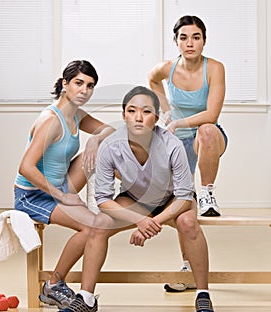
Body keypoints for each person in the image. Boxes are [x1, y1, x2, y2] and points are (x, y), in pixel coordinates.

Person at [59, 86, 214, 312]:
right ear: (124, 115)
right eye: (131, 111)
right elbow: (103, 199)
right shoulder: (111, 146)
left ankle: (203, 293)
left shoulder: (172, 144)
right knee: (98, 224)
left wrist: (152, 222)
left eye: (146, 112)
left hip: (172, 199)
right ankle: (86, 298)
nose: (138, 117)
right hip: (135, 199)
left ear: (157, 117)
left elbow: (183, 194)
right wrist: (139, 219)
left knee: (188, 223)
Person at [14, 60, 114, 309]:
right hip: (33, 195)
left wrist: (94, 141)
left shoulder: (76, 114)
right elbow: (25, 167)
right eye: (79, 83)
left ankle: (121, 193)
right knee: (92, 228)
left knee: (101, 146)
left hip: (59, 188)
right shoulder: (51, 120)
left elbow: (110, 130)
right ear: (64, 84)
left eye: (90, 86)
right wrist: (64, 196)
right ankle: (54, 284)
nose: (84, 91)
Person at [148, 15, 228, 292]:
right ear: (176, 41)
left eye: (196, 37)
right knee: (183, 205)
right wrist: (165, 111)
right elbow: (152, 80)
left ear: (204, 41)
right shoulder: (167, 69)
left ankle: (207, 191)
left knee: (206, 129)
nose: (190, 43)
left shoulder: (214, 68)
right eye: (184, 37)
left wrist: (177, 122)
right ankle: (188, 268)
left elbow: (212, 114)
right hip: (177, 142)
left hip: (207, 138)